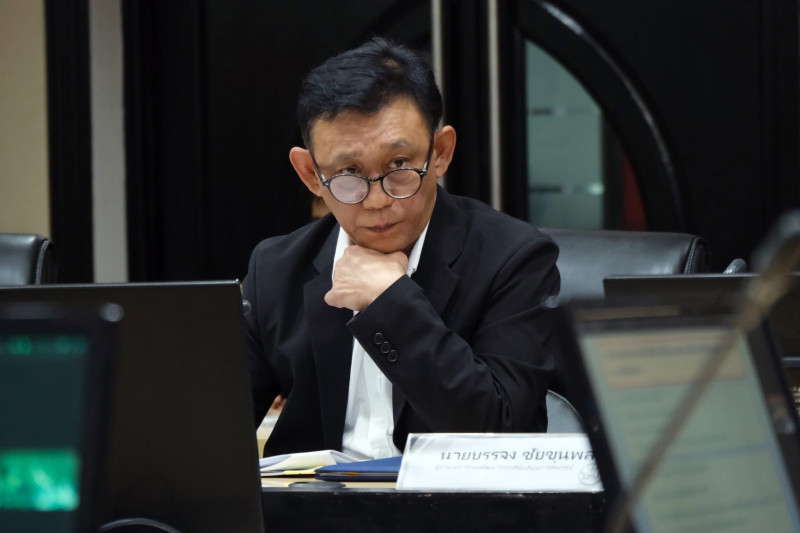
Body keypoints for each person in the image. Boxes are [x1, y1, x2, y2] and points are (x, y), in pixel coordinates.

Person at [242, 37, 560, 459]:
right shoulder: (275, 269)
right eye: (349, 172)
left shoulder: (514, 258)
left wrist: (391, 302)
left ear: (440, 152)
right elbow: (207, 426)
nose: (377, 200)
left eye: (399, 166)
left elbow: (500, 432)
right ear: (310, 174)